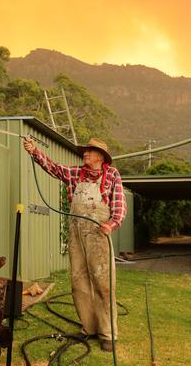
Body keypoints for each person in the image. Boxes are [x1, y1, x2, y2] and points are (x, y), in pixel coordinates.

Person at [23, 136, 127, 352]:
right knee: (79, 281)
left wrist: (111, 224)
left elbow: (119, 205)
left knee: (103, 283)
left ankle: (108, 333)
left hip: (99, 233)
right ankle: (89, 327)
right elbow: (52, 167)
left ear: (100, 156)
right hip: (76, 233)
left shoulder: (112, 175)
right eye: (85, 151)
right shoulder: (74, 174)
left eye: (89, 151)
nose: (85, 154)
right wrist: (34, 151)